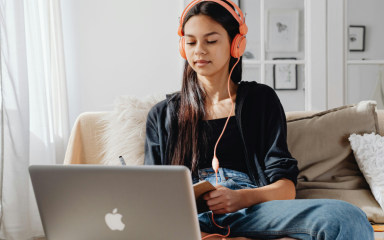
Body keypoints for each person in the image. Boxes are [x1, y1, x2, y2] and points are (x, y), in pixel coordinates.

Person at [144, 1, 375, 239]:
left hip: (253, 209)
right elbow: (153, 198)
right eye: (191, 42)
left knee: (346, 217)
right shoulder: (162, 115)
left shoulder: (261, 100)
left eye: (211, 41)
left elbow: (286, 188)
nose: (199, 50)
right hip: (191, 216)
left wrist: (240, 198)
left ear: (236, 45)